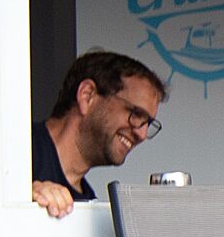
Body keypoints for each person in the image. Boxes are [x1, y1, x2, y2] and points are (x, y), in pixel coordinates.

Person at [24, 51, 166, 215]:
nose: (142, 134)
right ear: (87, 96)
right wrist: (22, 195)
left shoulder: (88, 204)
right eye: (137, 114)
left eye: (148, 123)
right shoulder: (13, 149)